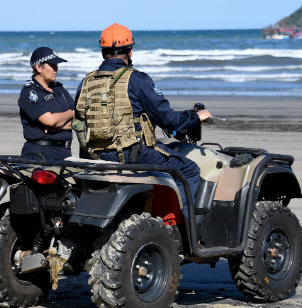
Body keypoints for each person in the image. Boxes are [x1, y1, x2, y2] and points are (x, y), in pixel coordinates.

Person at [74, 23, 211, 215]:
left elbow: (80, 122)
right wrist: (195, 117)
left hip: (94, 156)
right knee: (188, 170)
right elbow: (170, 120)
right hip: (131, 155)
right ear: (130, 51)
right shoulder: (137, 80)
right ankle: (182, 231)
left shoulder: (86, 82)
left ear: (103, 52)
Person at [18, 47, 75, 161]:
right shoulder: (30, 92)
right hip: (40, 154)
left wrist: (56, 125)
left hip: (65, 153)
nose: (56, 69)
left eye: (56, 65)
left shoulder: (59, 89)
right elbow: (49, 120)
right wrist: (69, 115)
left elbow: (77, 115)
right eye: (52, 65)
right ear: (39, 67)